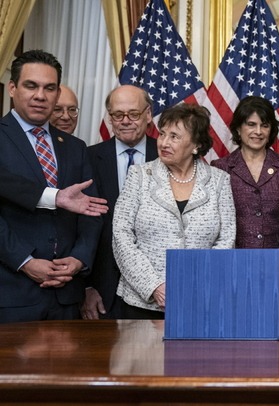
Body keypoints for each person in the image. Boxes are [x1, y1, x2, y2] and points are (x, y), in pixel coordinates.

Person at [0, 50, 102, 323]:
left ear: (58, 93)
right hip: (11, 293)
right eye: (30, 85)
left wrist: (79, 260)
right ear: (12, 88)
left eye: (49, 88)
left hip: (67, 296)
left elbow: (92, 212)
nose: (40, 95)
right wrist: (25, 262)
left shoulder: (75, 147)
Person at [113, 103, 236, 319]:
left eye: (174, 136)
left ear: (196, 145)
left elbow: (226, 240)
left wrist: (197, 284)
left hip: (200, 300)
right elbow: (121, 235)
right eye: (162, 134)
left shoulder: (219, 181)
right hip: (141, 304)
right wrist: (154, 286)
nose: (164, 143)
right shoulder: (140, 175)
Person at [81, 85, 158, 320]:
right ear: (109, 117)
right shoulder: (87, 157)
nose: (125, 121)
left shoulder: (169, 156)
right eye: (117, 115)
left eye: (133, 114)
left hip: (158, 290)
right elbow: (78, 225)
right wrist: (86, 286)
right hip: (103, 290)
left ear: (148, 114)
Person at [211, 96, 279, 249]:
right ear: (238, 129)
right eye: (251, 124)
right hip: (235, 262)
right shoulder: (221, 167)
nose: (258, 132)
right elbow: (215, 223)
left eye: (265, 125)